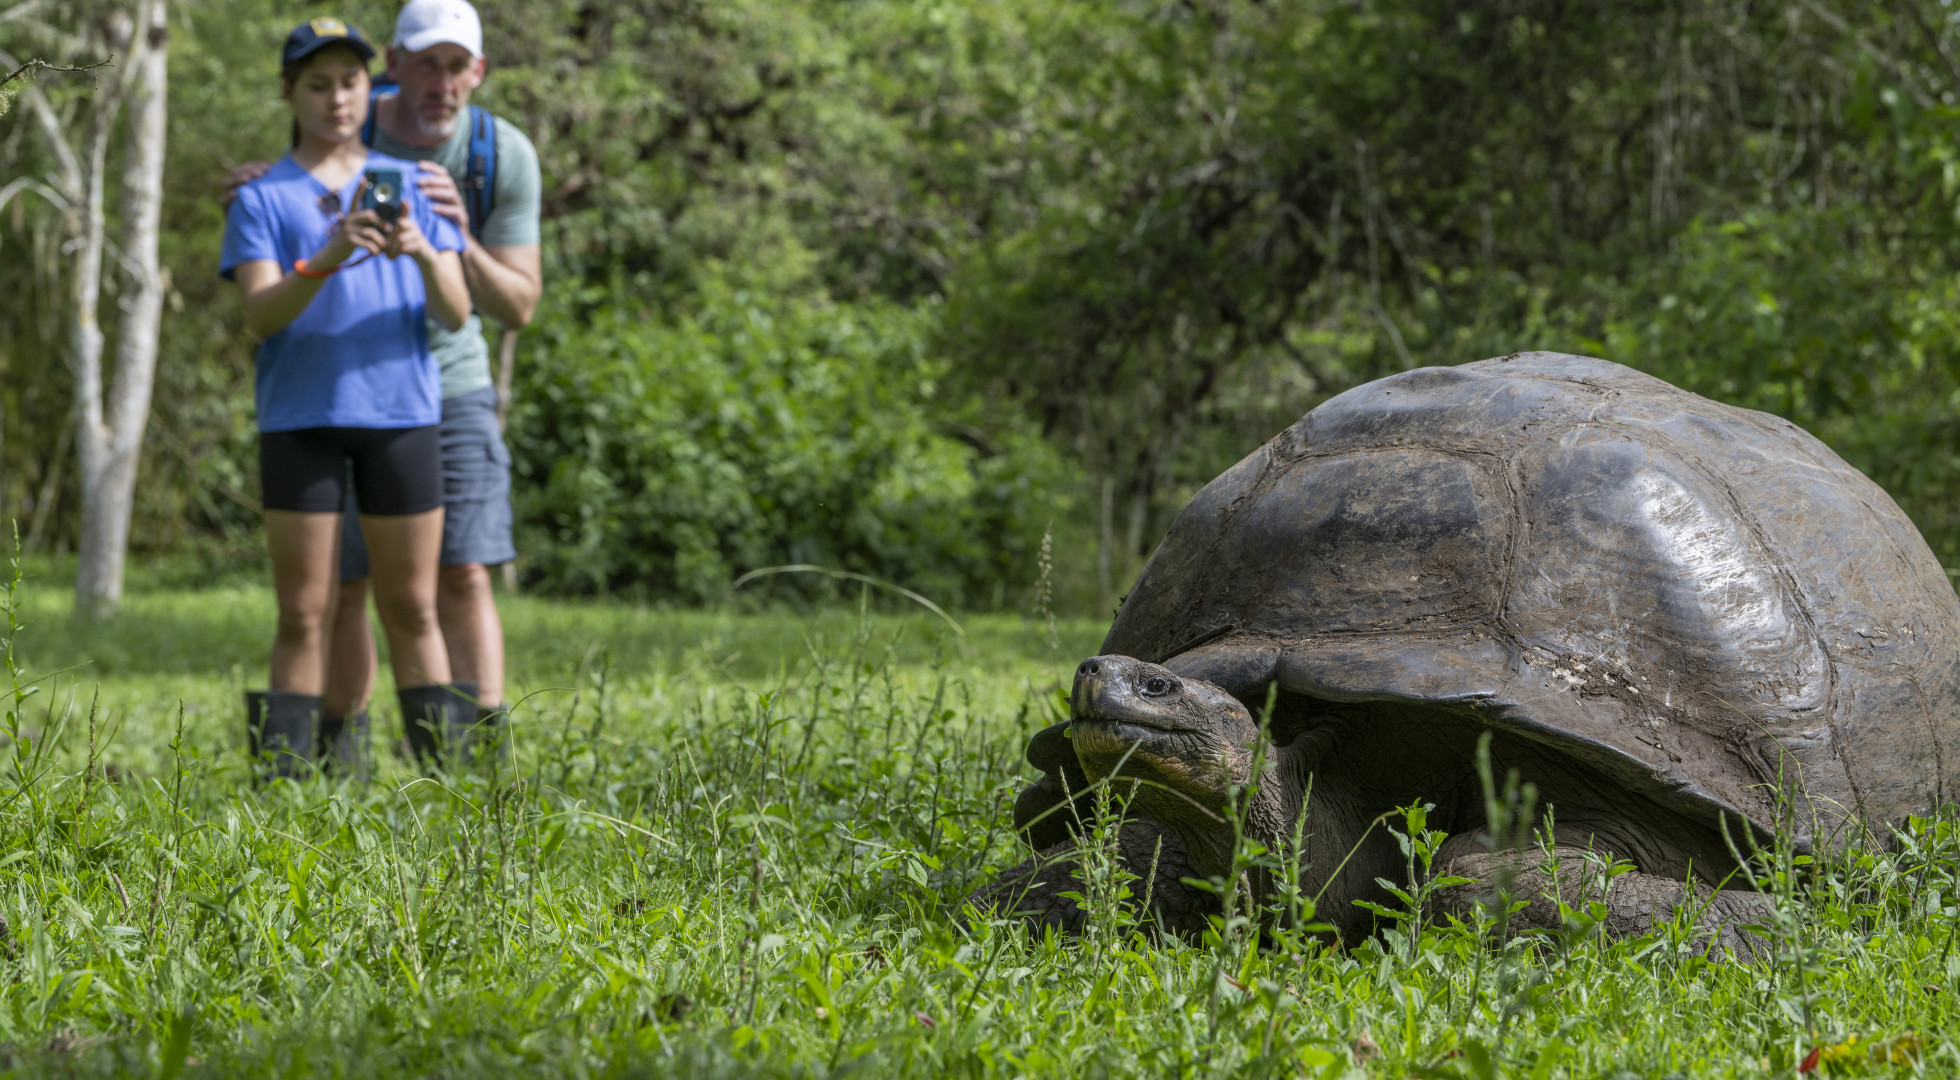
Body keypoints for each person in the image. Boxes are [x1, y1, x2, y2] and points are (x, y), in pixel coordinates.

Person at [224, 0, 543, 763]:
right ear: (288, 94)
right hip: (300, 417)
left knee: (418, 600)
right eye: (317, 85)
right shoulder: (263, 197)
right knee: (310, 608)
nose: (336, 99)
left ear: (371, 89)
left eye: (349, 83)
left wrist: (428, 250)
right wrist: (328, 255)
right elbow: (260, 316)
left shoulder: (415, 183)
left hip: (404, 413)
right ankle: (295, 778)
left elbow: (460, 309)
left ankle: (451, 771)